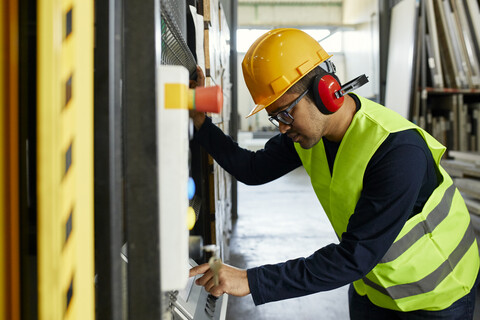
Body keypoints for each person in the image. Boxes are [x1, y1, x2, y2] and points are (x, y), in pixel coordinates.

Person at [188, 28, 480, 319]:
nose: (281, 127)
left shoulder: (397, 151)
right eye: (275, 116)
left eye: (286, 112)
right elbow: (252, 169)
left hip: (437, 297)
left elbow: (355, 255)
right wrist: (200, 119)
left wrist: (251, 280)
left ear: (325, 91)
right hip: (373, 290)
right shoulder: (307, 135)